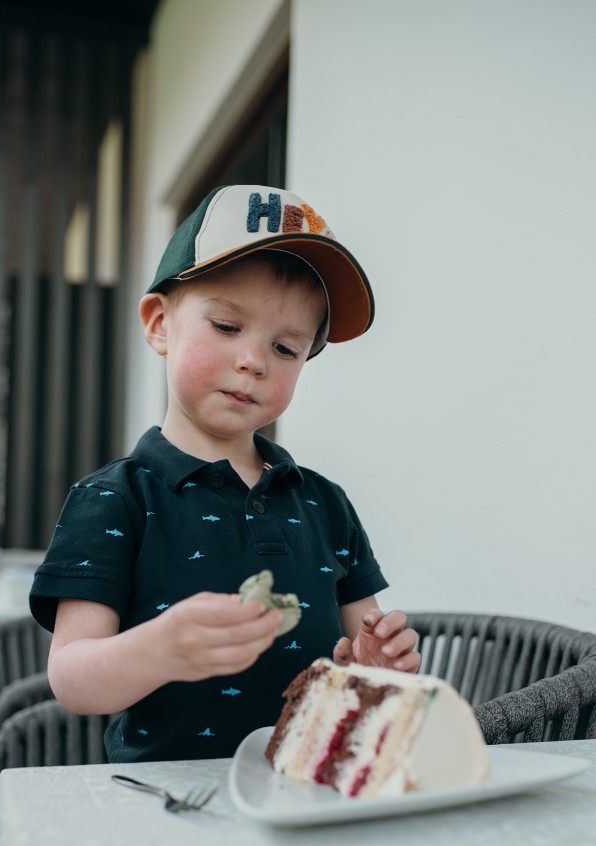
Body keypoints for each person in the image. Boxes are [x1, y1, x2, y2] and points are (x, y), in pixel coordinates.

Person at [29, 184, 421, 763]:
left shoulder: (325, 503)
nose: (254, 361)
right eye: (228, 327)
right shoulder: (114, 499)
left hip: (307, 792)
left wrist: (379, 671)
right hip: (166, 802)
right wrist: (158, 649)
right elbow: (72, 679)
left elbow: (367, 658)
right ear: (160, 324)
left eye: (286, 349)